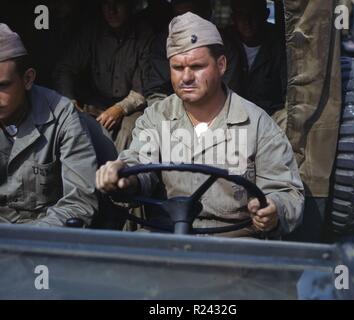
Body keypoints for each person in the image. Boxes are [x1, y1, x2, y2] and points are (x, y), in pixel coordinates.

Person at [96, 12, 304, 238]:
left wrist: (274, 209)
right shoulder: (157, 117)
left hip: (235, 241)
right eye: (177, 67)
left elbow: (286, 192)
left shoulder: (257, 123)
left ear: (221, 65)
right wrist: (124, 176)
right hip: (167, 233)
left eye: (196, 66)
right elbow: (139, 161)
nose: (186, 77)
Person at [0, 24, 98, 226]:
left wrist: (26, 240)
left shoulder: (62, 116)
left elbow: (80, 203)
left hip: (43, 239)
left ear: (27, 79)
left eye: (2, 86)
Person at [53, 0, 154, 152]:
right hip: (96, 101)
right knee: (72, 122)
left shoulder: (144, 35)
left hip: (132, 106)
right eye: (106, 4)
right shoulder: (92, 31)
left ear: (129, 5)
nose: (111, 10)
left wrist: (120, 108)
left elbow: (143, 88)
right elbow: (65, 68)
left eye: (118, 4)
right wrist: (69, 100)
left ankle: (117, 172)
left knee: (129, 129)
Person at [223, 0, 287, 116]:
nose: (247, 21)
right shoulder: (225, 43)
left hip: (270, 116)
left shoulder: (280, 44)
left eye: (253, 13)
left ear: (265, 15)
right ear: (234, 18)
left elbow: (287, 94)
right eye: (241, 14)